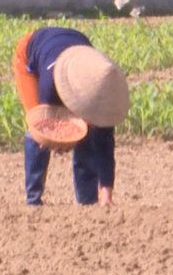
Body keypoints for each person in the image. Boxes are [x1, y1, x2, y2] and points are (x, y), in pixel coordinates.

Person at [12, 26, 130, 206]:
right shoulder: (50, 83)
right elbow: (45, 121)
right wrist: (56, 139)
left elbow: (105, 144)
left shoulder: (103, 87)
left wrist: (106, 192)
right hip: (33, 52)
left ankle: (87, 202)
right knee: (36, 130)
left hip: (75, 46)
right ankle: (33, 201)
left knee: (89, 134)